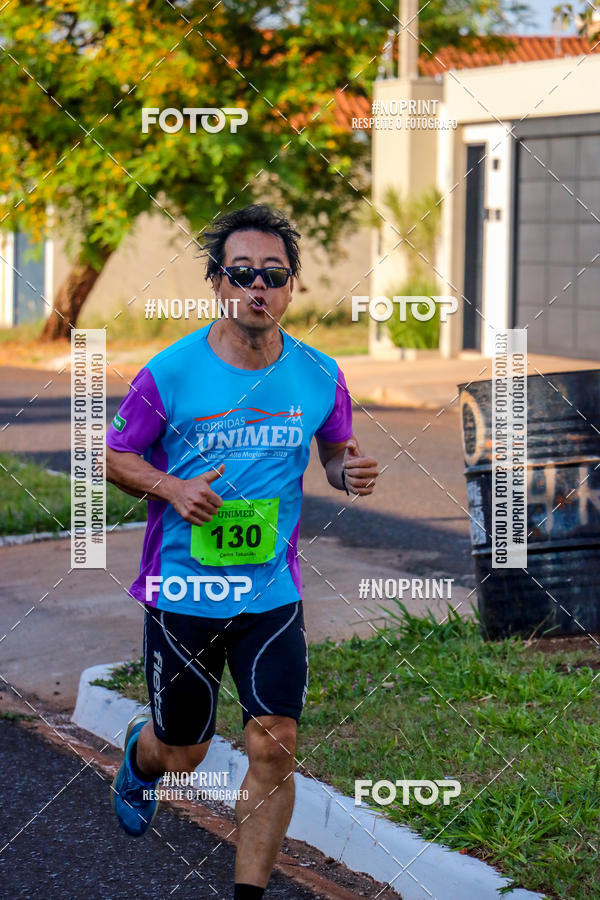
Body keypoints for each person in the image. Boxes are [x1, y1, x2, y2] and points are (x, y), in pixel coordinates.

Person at [106, 204, 379, 898]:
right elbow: (112, 454)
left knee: (274, 743)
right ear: (218, 283)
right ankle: (145, 754)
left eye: (274, 274)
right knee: (186, 751)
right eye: (243, 273)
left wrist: (349, 473)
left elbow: (334, 454)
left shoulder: (319, 374)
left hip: (269, 594)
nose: (259, 286)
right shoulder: (170, 374)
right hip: (185, 590)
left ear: (292, 287)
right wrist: (172, 487)